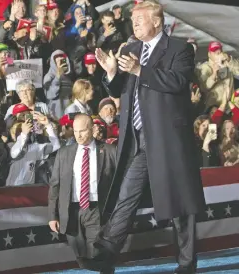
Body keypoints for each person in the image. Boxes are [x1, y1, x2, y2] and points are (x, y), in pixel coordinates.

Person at [91, 1, 205, 273]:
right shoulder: (130, 49)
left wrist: (141, 70)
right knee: (126, 195)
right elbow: (121, 88)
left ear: (157, 22)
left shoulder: (180, 49)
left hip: (167, 139)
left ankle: (187, 264)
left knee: (179, 202)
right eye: (133, 20)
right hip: (138, 139)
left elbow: (177, 83)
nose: (135, 24)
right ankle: (106, 253)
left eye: (140, 19)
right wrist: (110, 73)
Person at [48, 114, 116, 273]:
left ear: (93, 129)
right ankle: (107, 267)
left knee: (97, 253)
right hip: (71, 211)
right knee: (81, 258)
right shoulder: (64, 153)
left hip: (96, 211)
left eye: (83, 131)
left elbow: (119, 181)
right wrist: (52, 215)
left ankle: (107, 268)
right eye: (76, 131)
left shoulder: (109, 151)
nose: (78, 135)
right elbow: (55, 185)